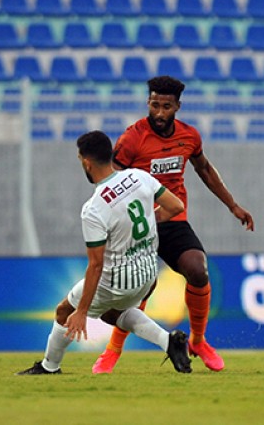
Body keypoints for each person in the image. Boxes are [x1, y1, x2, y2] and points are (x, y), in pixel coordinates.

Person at [91, 76, 254, 374]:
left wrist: (232, 205)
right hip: (138, 224)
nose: (160, 113)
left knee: (197, 269)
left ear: (177, 106)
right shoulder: (131, 139)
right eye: (154, 105)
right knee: (140, 287)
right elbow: (111, 183)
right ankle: (112, 351)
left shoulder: (189, 136)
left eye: (166, 106)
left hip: (172, 219)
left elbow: (204, 169)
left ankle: (198, 341)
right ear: (148, 104)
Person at [17, 130, 192, 375]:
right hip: (148, 275)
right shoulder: (139, 176)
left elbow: (96, 266)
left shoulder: (94, 209)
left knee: (63, 311)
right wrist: (146, 223)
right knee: (112, 314)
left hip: (117, 282)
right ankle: (169, 342)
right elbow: (176, 206)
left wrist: (82, 311)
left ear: (86, 163)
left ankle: (49, 367)